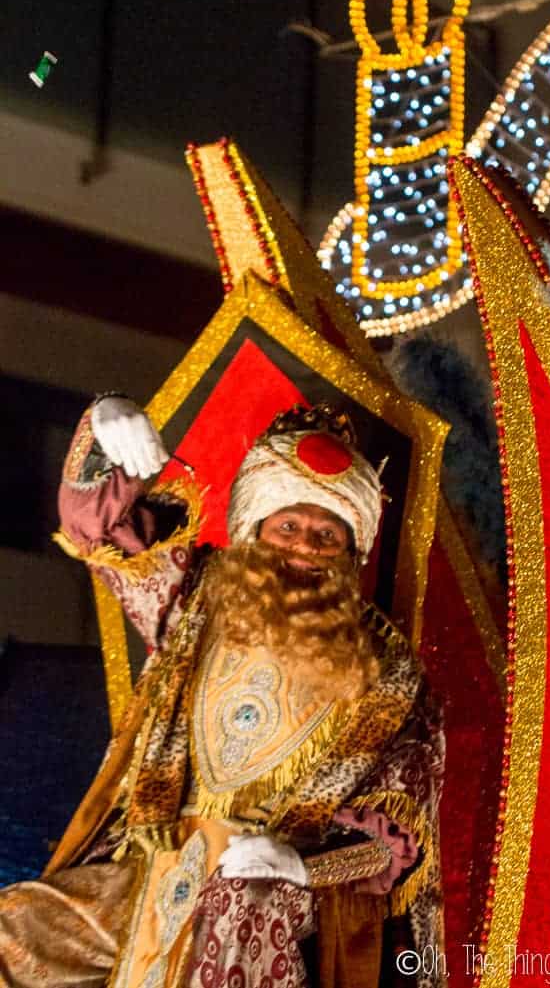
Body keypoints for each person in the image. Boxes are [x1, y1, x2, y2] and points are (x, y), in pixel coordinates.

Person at [0, 395, 445, 988]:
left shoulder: (391, 676)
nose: (305, 548)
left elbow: (394, 842)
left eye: (326, 535)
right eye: (288, 526)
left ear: (352, 553)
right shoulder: (194, 598)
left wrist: (296, 866)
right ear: (254, 530)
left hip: (281, 891)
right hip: (152, 868)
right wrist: (108, 428)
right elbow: (97, 528)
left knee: (242, 900)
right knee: (12, 932)